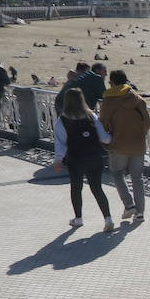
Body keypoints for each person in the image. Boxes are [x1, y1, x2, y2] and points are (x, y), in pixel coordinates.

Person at [53, 87, 115, 232]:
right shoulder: (91, 116)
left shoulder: (62, 120)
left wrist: (58, 160)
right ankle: (108, 219)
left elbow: (60, 143)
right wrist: (114, 137)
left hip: (75, 159)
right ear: (82, 99)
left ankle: (78, 219)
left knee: (76, 188)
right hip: (95, 157)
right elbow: (104, 138)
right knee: (97, 188)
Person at [99, 70, 150, 222]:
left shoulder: (108, 102)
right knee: (137, 178)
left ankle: (129, 205)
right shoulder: (138, 99)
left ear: (112, 83)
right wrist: (139, 136)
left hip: (118, 145)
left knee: (117, 173)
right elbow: (146, 123)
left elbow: (103, 124)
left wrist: (106, 141)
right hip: (138, 144)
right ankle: (140, 213)